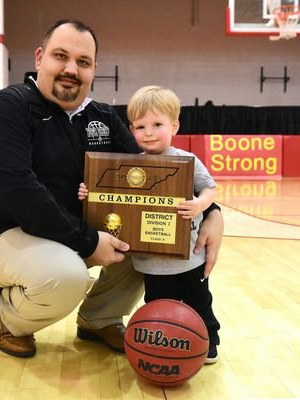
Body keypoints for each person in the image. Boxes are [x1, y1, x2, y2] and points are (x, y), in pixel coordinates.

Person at [0, 19, 224, 358]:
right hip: (4, 233)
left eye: (83, 62)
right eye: (61, 56)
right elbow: (17, 192)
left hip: (73, 233)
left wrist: (212, 212)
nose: (71, 69)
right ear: (40, 58)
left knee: (148, 237)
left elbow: (151, 175)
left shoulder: (100, 116)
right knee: (64, 274)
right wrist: (89, 241)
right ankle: (14, 321)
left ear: (93, 70)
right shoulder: (7, 108)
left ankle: (98, 319)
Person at [79, 85, 221, 363]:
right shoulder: (128, 167)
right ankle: (165, 345)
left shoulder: (187, 161)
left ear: (175, 126)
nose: (149, 132)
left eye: (157, 124)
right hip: (150, 263)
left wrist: (200, 205)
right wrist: (89, 193)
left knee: (200, 303)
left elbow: (210, 188)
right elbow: (110, 197)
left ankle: (210, 340)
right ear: (131, 130)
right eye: (141, 126)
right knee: (157, 308)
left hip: (189, 259)